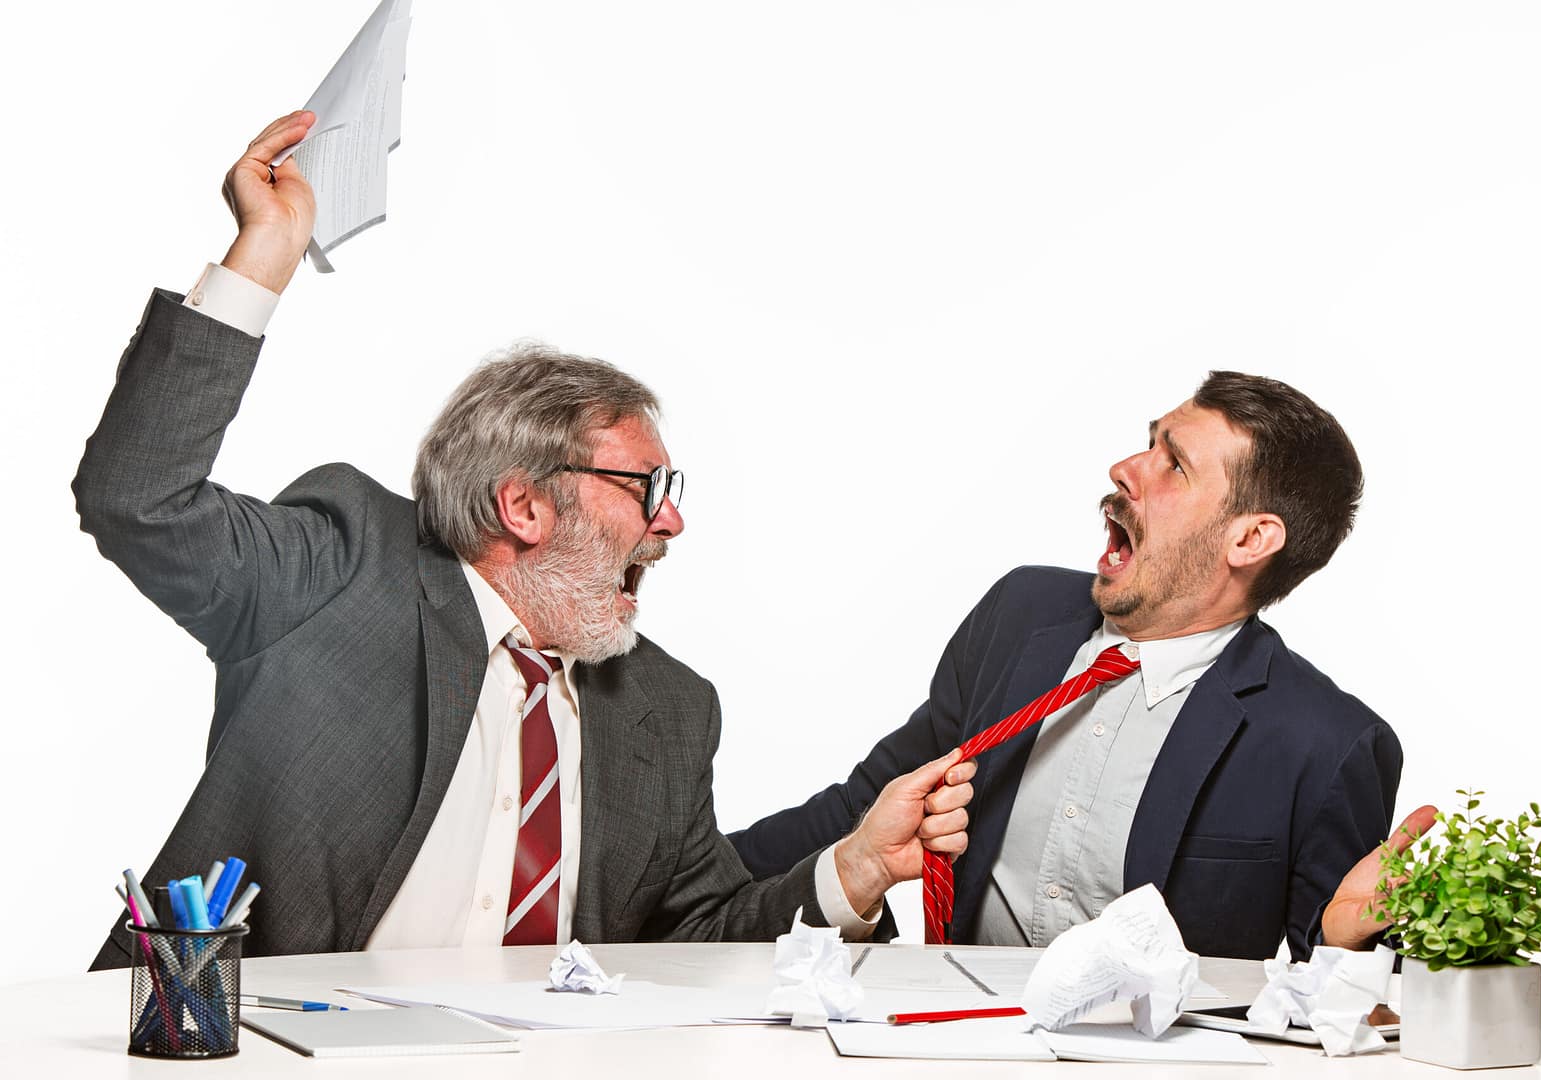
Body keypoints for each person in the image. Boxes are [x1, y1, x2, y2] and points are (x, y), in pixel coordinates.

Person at [77, 112, 971, 969]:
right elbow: (139, 500)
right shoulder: (339, 567)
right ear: (523, 506)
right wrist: (263, 251)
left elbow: (692, 945)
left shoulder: (668, 706)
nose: (670, 523)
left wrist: (851, 871)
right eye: (647, 488)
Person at [729, 371, 1435, 960]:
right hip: (956, 1043)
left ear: (1249, 538)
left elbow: (1344, 1012)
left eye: (1173, 464)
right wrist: (680, 876)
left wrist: (1345, 951)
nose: (1125, 469)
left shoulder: (1326, 743)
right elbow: (875, 801)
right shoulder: (1019, 614)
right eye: (1146, 444)